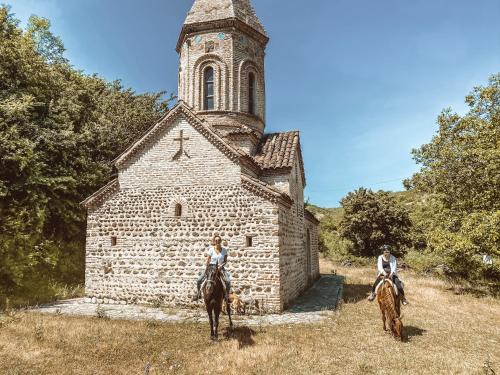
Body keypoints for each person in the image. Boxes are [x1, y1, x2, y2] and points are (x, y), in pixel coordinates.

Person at [193, 235, 231, 301]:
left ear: (221, 241)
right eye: (216, 240)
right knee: (199, 280)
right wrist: (207, 268)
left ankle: (226, 296)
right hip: (211, 267)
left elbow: (225, 261)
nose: (217, 242)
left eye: (219, 240)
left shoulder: (224, 250)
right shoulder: (211, 250)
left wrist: (220, 266)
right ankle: (198, 294)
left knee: (228, 281)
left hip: (220, 268)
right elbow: (208, 260)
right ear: (214, 241)